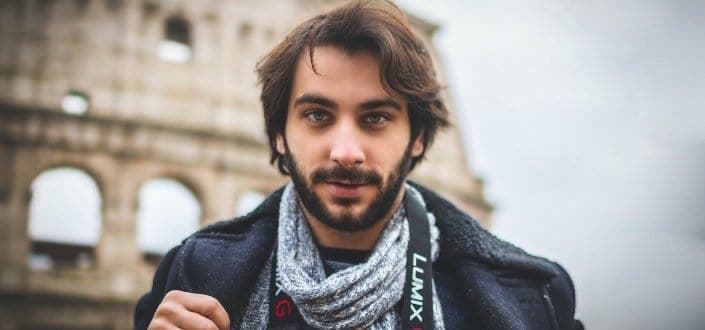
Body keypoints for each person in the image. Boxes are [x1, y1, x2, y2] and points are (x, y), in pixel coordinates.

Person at [135, 1, 582, 329]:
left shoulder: (530, 299)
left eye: (375, 118)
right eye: (317, 116)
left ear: (418, 137)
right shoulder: (192, 279)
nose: (346, 151)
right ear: (279, 134)